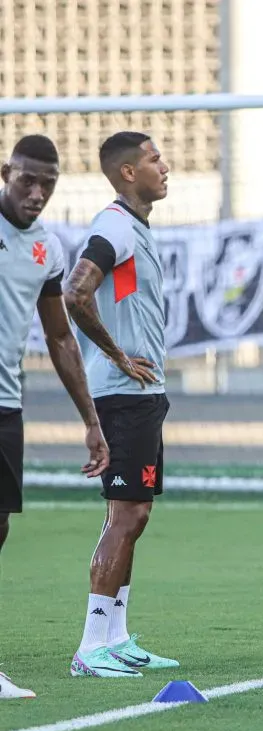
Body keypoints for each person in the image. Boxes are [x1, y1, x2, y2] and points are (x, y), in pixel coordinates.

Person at [63, 132, 177, 678]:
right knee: (125, 515)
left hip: (142, 396)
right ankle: (90, 648)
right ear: (128, 172)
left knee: (135, 514)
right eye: (155, 158)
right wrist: (118, 356)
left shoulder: (134, 228)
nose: (165, 166)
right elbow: (75, 291)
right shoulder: (112, 226)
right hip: (123, 395)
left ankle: (117, 636)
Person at [0, 135, 110, 698]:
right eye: (27, 181)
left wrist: (90, 421)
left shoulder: (47, 249)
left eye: (48, 184)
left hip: (6, 406)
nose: (37, 193)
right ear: (5, 172)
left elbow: (61, 338)